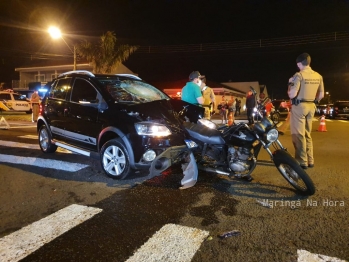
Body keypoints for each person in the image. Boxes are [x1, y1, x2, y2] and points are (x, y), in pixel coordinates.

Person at [288, 53, 324, 169]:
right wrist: (313, 100)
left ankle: (301, 161)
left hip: (299, 107)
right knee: (308, 134)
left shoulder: (299, 75)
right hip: (311, 106)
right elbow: (321, 95)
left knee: (298, 135)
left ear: (299, 64)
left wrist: (290, 84)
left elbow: (292, 94)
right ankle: (310, 160)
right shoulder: (318, 76)